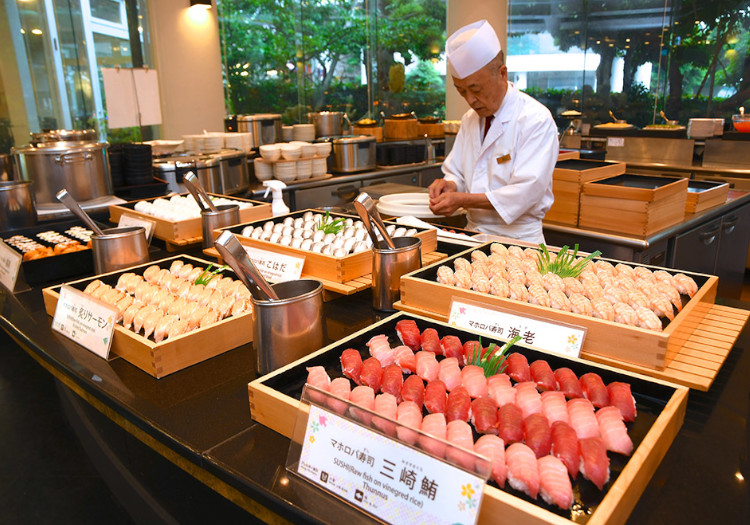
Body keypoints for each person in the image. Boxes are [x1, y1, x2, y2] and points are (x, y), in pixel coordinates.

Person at [429, 20, 559, 243]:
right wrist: (448, 186)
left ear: (502, 73)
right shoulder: (470, 120)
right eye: (461, 91)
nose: (470, 100)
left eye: (476, 89)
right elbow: (457, 173)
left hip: (520, 241)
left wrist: (461, 199)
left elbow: (525, 192)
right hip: (472, 236)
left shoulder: (535, 119)